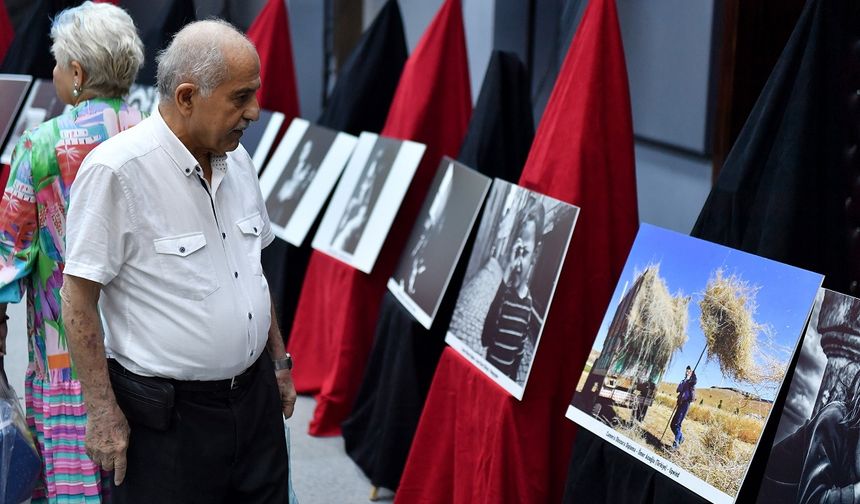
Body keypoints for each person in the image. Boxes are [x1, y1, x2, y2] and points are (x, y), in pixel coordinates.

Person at [60, 20, 296, 503]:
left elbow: (252, 272)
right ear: (187, 97)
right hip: (167, 423)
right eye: (240, 97)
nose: (253, 111)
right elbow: (78, 300)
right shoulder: (116, 172)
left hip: (254, 406)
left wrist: (279, 361)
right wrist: (101, 412)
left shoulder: (239, 161)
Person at [0, 3, 145, 501]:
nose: (55, 72)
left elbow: (7, 254)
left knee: (74, 489)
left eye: (59, 63)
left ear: (78, 74)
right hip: (150, 359)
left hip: (66, 365)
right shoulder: (160, 136)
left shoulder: (41, 146)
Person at [481, 196, 545, 382]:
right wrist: (504, 280)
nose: (517, 262)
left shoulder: (529, 305)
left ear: (535, 254)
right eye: (515, 252)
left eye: (523, 252)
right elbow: (485, 338)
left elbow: (519, 352)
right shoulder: (504, 295)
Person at [670, 365, 697, 450]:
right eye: (686, 370)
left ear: (691, 373)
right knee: (672, 425)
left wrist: (692, 375)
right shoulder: (683, 381)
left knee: (677, 424)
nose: (687, 372)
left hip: (685, 404)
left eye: (689, 371)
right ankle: (681, 438)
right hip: (680, 403)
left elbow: (695, 381)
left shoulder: (691, 382)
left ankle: (676, 444)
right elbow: (678, 389)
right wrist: (684, 382)